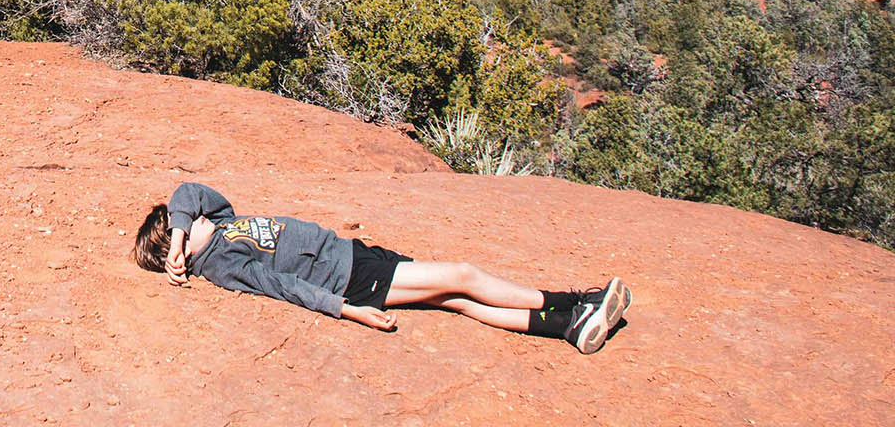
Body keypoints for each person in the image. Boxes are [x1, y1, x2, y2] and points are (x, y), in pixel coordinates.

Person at [133, 183, 631, 354]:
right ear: (181, 254)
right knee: (462, 275)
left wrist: (179, 233)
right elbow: (279, 286)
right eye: (185, 225)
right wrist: (347, 310)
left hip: (353, 257)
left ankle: (567, 327)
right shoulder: (220, 263)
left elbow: (191, 192)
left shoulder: (217, 228)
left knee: (453, 299)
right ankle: (571, 306)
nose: (195, 217)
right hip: (349, 275)